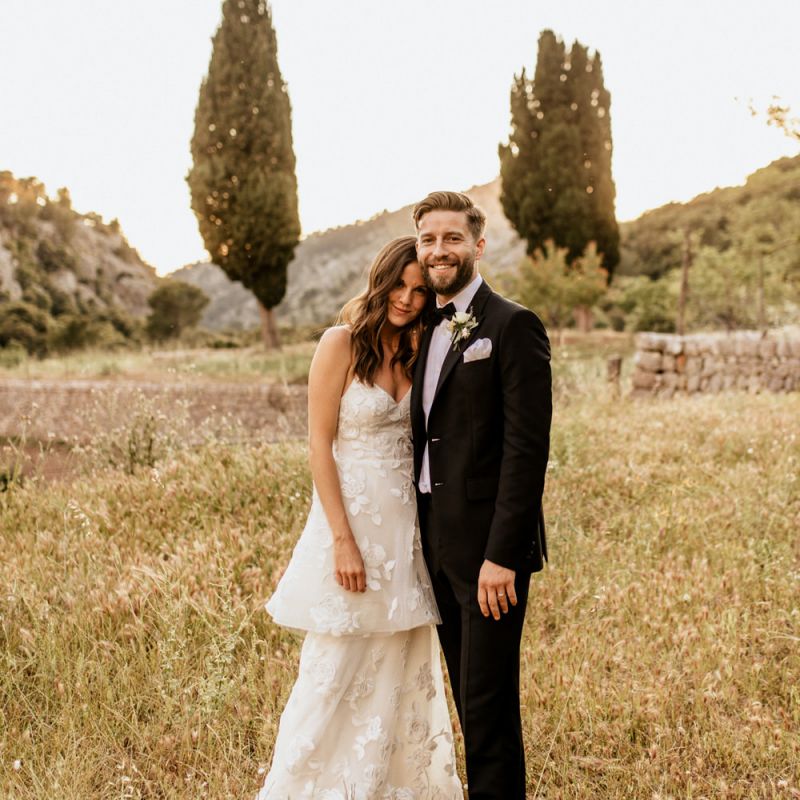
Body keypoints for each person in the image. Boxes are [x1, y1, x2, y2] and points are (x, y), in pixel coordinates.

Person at [258, 236, 464, 799]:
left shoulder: (421, 349)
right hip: (350, 526)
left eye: (420, 291)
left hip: (406, 532)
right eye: (399, 284)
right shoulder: (340, 343)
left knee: (399, 664)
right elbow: (319, 447)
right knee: (336, 669)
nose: (407, 298)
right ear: (381, 280)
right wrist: (342, 542)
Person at [409, 192, 552, 800]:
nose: (440, 250)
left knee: (488, 705)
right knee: (469, 699)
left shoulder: (512, 325)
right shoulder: (418, 327)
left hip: (490, 555)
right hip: (434, 547)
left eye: (452, 238)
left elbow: (526, 453)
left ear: (478, 246)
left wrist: (504, 556)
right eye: (428, 240)